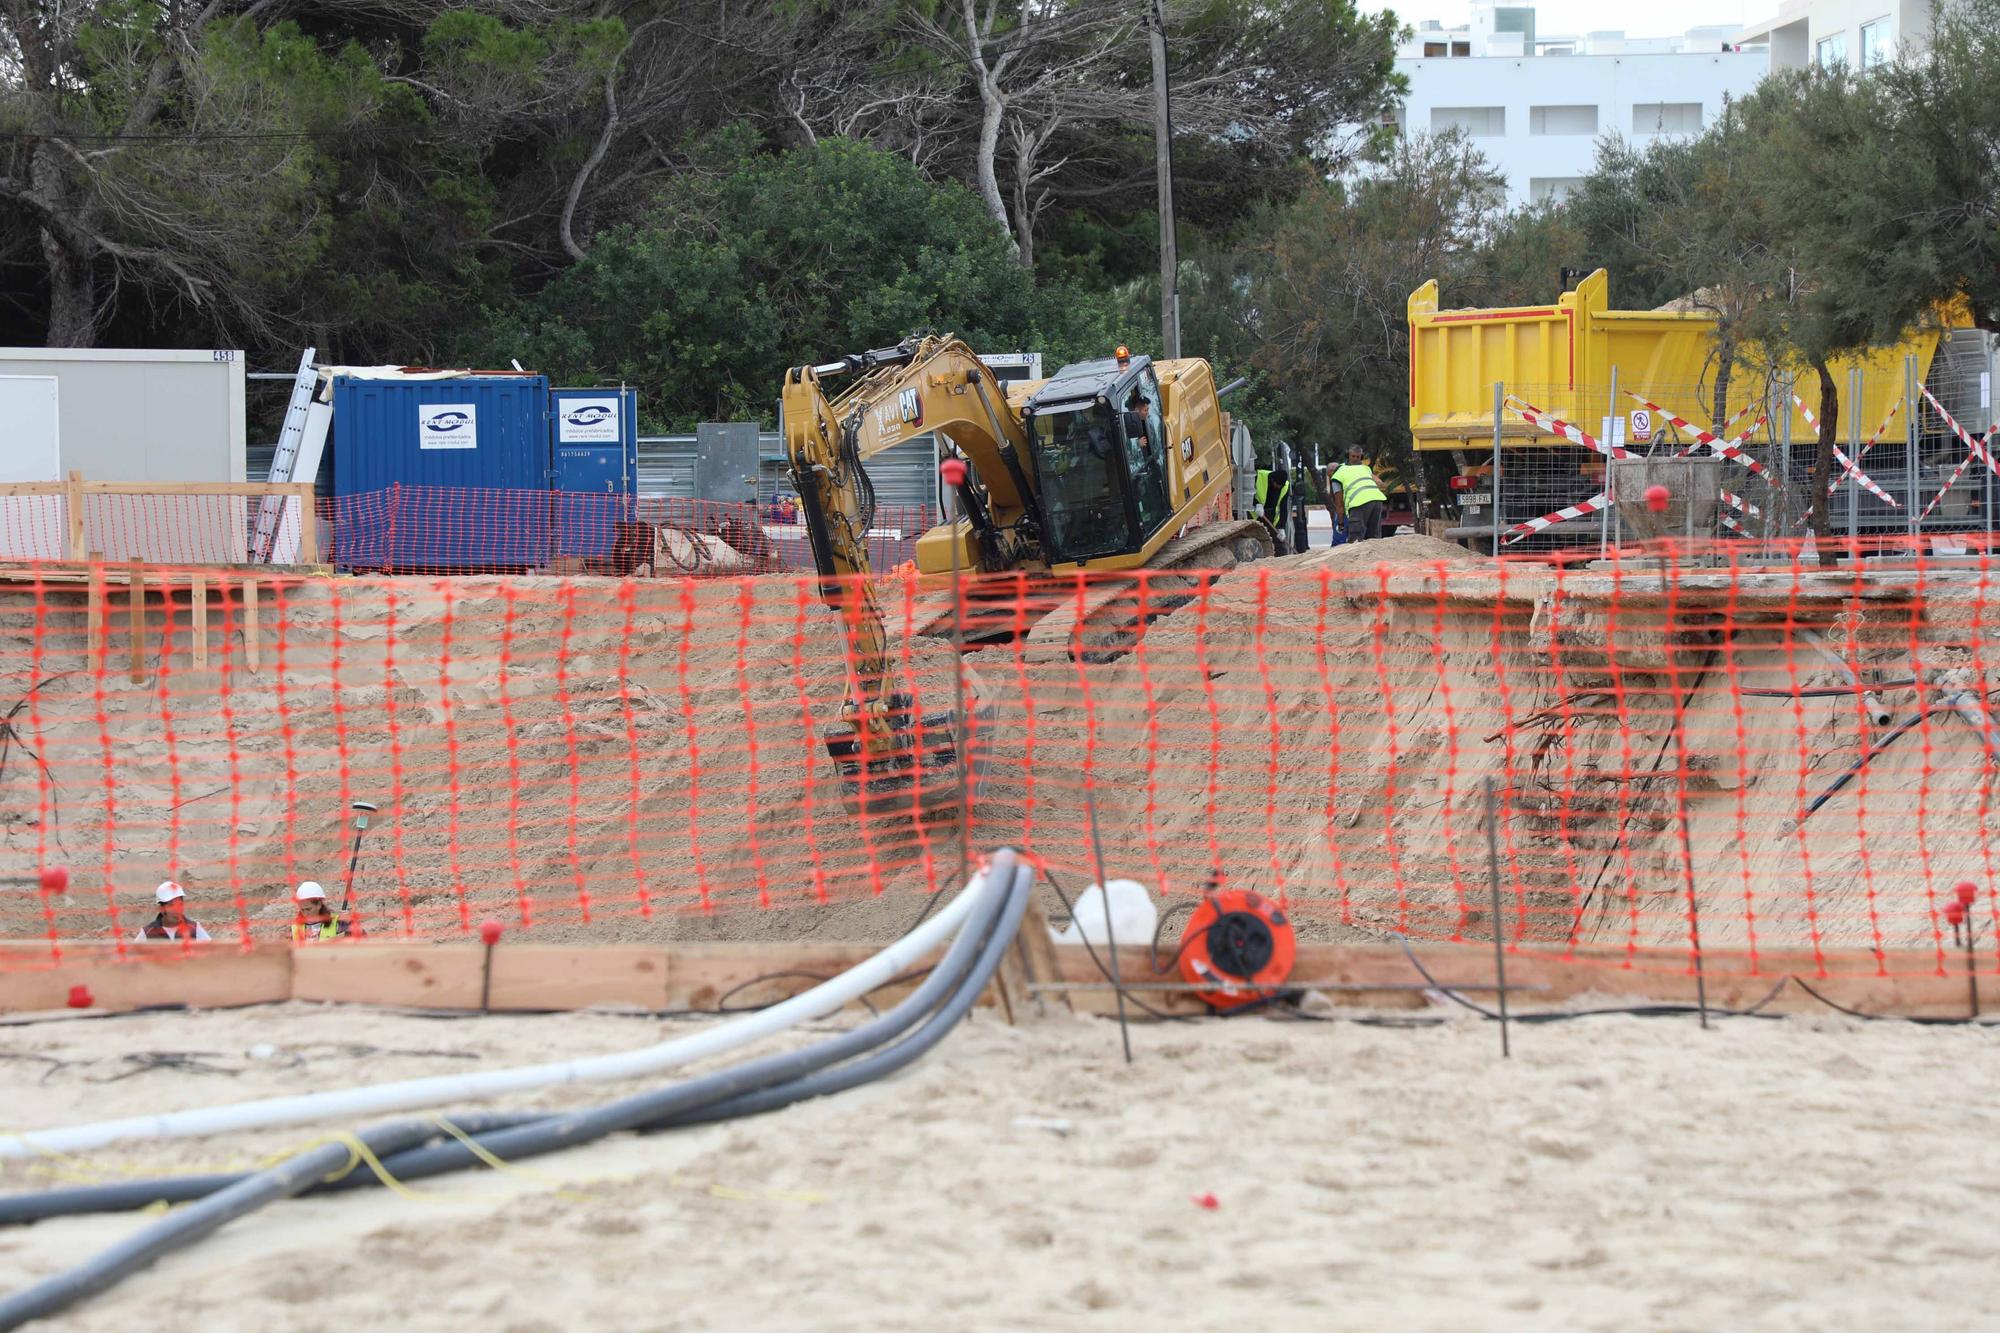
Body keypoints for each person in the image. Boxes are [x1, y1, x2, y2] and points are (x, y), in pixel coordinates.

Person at [1330, 445, 1389, 542]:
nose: (1355, 459)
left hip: (1359, 503)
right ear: (1348, 456)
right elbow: (1380, 483)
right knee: (1374, 537)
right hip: (1377, 500)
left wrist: (1340, 524)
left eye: (1357, 457)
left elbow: (1339, 505)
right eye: (1353, 456)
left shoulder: (1338, 475)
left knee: (1355, 539)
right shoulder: (1365, 468)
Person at [133, 881, 211, 942]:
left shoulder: (195, 929)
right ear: (161, 909)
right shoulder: (148, 933)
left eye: (180, 904)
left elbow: (213, 954)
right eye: (171, 905)